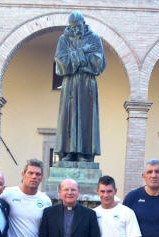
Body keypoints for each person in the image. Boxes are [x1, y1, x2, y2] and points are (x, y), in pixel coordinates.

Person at [54, 11, 106, 162]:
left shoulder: (94, 38)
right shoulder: (63, 39)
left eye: (78, 26)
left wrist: (74, 59)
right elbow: (61, 62)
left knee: (86, 116)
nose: (76, 30)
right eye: (73, 27)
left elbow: (98, 63)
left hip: (87, 84)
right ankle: (68, 152)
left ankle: (85, 153)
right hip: (69, 84)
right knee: (68, 117)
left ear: (84, 23)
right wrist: (83, 52)